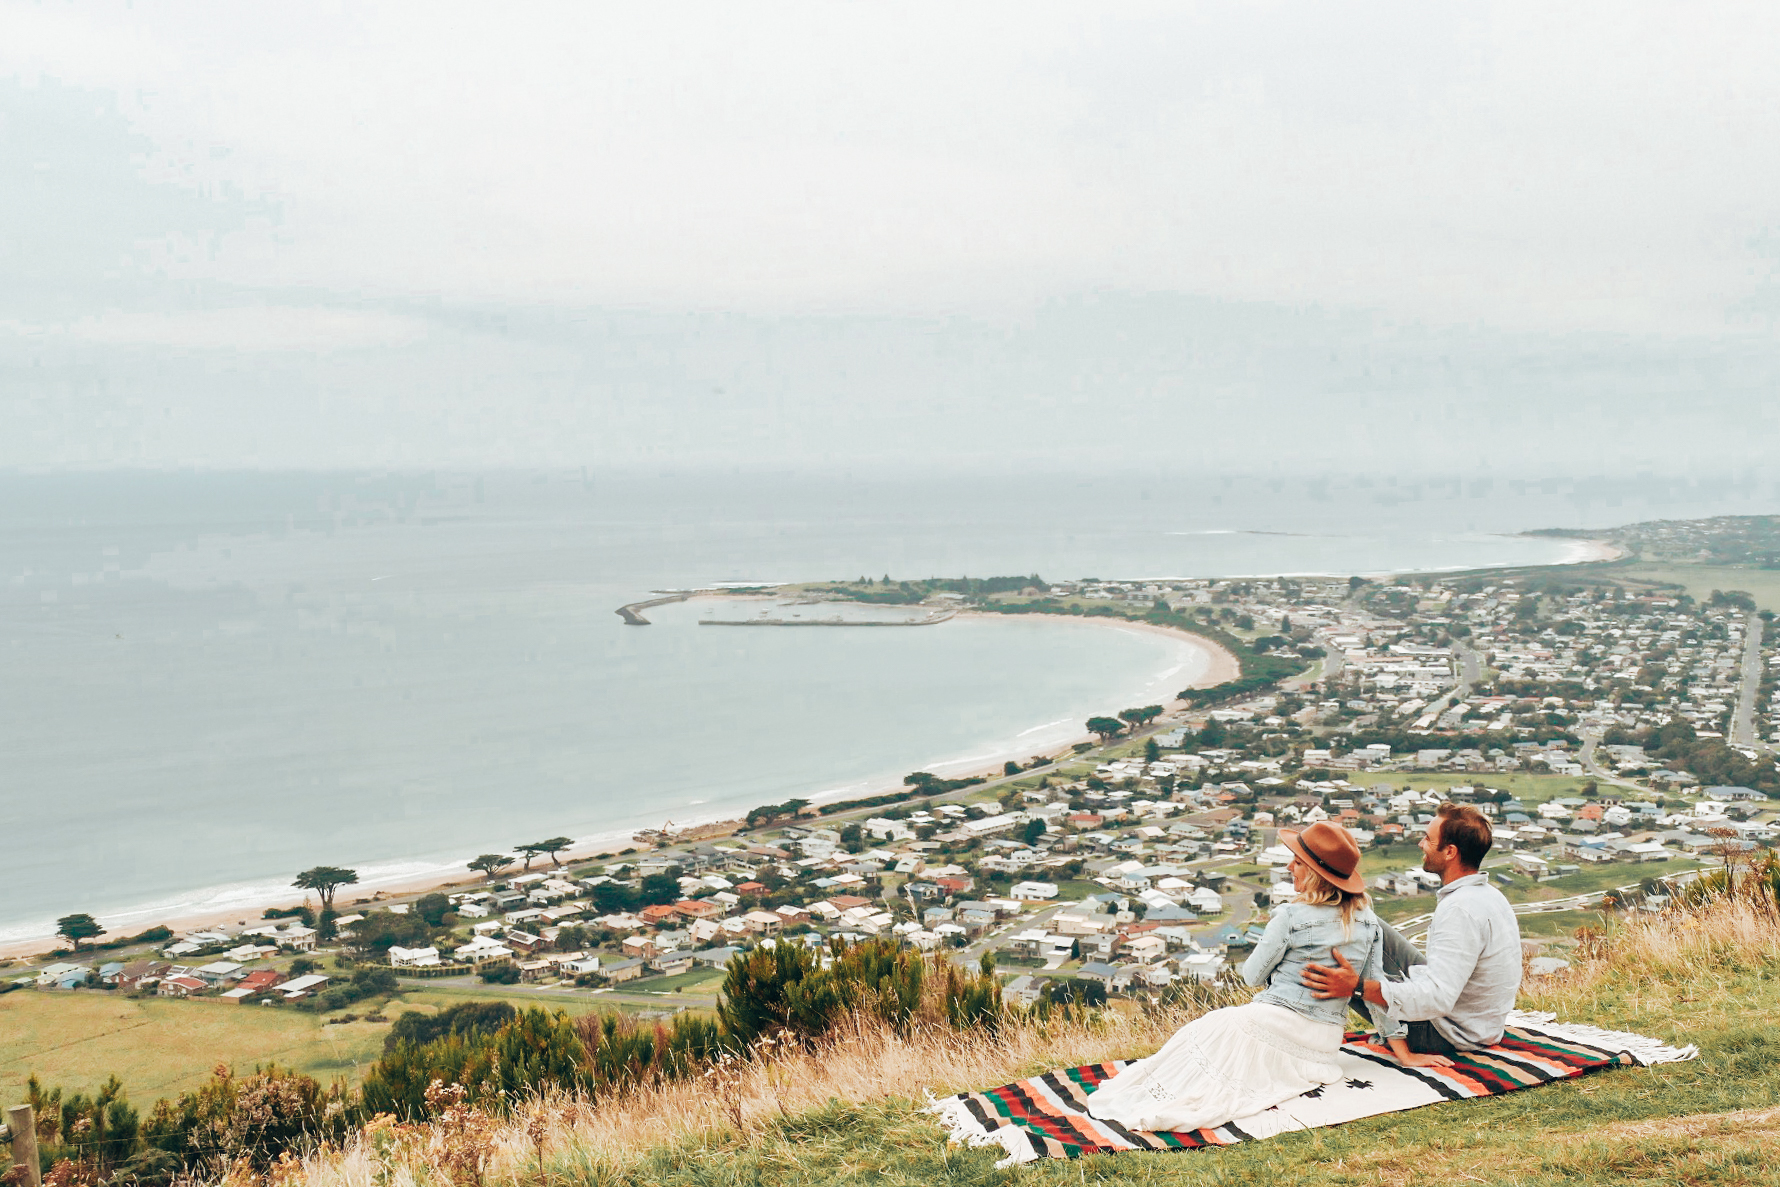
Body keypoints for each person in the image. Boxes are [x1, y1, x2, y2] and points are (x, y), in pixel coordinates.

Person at [1085, 822, 1442, 1135]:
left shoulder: (1290, 915)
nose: (1290, 867)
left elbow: (1253, 975)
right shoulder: (1366, 920)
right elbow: (1373, 987)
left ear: (1315, 873)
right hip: (1325, 1042)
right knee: (1217, 1035)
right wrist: (1403, 1053)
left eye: (1297, 862)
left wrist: (1280, 956)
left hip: (1279, 1020)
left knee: (1206, 1030)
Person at [1301, 802, 1521, 1056]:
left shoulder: (1460, 910)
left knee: (1336, 953)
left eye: (1428, 839)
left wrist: (1357, 987)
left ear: (1450, 852)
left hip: (1447, 1034)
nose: (1421, 844)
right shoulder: (1487, 895)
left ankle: (1298, 1034)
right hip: (1475, 1021)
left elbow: (1438, 999)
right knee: (1360, 922)